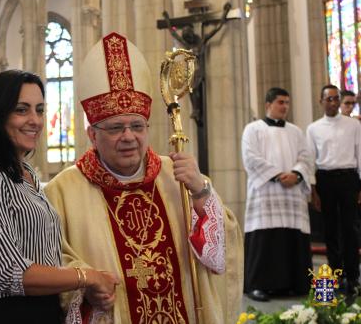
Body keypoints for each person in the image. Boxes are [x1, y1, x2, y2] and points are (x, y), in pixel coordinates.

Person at [44, 32, 243, 324]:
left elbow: (219, 258)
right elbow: (52, 262)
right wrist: (85, 283)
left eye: (137, 125)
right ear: (92, 135)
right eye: (115, 128)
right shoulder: (61, 191)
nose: (128, 137)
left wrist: (201, 193)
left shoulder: (176, 176)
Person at [0, 70, 119, 323]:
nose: (35, 120)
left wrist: (88, 285)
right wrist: (88, 277)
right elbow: (9, 273)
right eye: (22, 110)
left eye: (39, 110)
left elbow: (45, 256)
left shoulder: (26, 173)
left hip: (41, 312)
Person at [241, 87, 313, 302]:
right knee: (265, 240)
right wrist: (278, 175)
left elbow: (306, 157)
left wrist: (297, 174)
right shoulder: (253, 129)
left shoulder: (296, 131)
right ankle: (257, 285)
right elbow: (250, 158)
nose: (285, 107)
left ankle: (294, 284)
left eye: (287, 103)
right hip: (266, 193)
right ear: (268, 105)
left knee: (291, 239)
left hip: (292, 195)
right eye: (280, 102)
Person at [307, 84, 361, 296]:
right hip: (325, 180)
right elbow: (310, 159)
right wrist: (313, 190)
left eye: (335, 98)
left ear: (339, 101)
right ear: (320, 101)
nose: (332, 102)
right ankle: (336, 277)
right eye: (328, 99)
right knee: (330, 231)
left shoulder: (353, 125)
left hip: (349, 178)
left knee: (351, 230)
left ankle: (353, 278)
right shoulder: (313, 128)